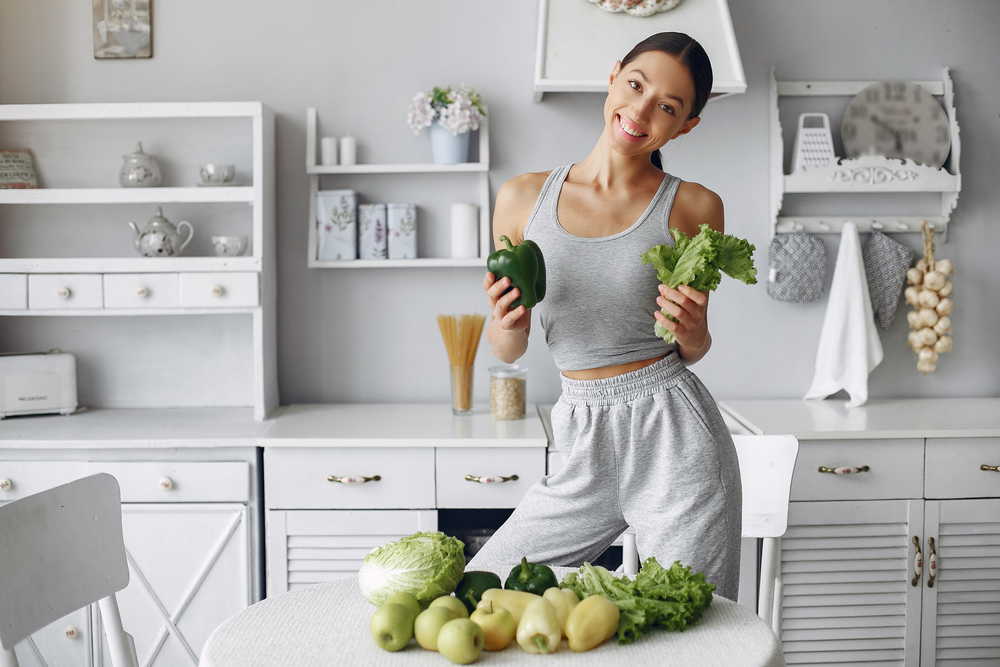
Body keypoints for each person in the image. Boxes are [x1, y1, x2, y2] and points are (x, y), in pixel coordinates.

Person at [468, 32, 742, 601]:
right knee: (483, 591)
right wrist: (508, 324)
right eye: (636, 85)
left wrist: (695, 333)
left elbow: (690, 346)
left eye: (667, 106)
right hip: (580, 432)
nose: (640, 111)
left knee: (696, 625)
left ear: (686, 125)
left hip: (674, 433)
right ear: (614, 75)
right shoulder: (522, 198)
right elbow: (507, 349)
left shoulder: (694, 206)